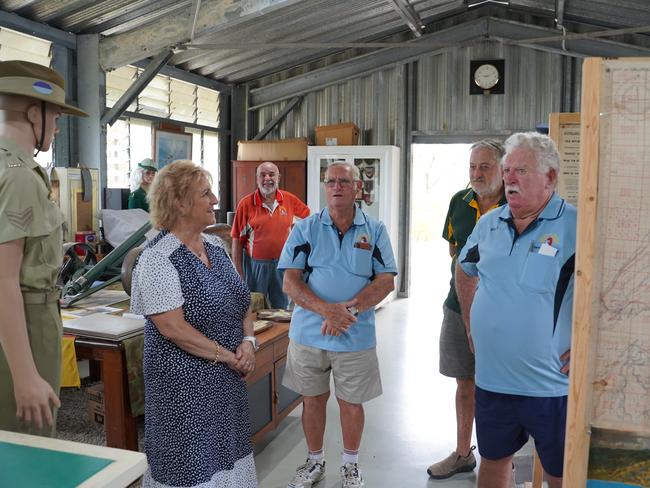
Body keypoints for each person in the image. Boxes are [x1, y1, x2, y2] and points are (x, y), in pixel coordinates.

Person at [455, 132, 576, 488]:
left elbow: (609, 296)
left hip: (551, 387)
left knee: (560, 474)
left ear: (550, 177)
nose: (508, 178)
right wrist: (469, 323)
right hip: (493, 382)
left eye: (521, 170)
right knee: (493, 462)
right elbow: (465, 270)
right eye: (507, 170)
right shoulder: (488, 223)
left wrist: (594, 352)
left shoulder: (576, 225)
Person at [130, 160, 258, 488]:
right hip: (185, 394)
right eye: (206, 194)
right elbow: (173, 329)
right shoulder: (157, 259)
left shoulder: (216, 247)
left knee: (226, 461)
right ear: (180, 202)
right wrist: (231, 357)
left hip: (226, 386)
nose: (215, 200)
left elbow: (242, 301)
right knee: (191, 468)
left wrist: (248, 342)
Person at [279, 162, 397, 488]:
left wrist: (348, 311)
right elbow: (290, 282)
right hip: (309, 334)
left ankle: (350, 465)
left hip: (354, 334)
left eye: (344, 181)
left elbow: (386, 280)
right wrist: (326, 311)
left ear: (357, 188)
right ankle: (314, 462)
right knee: (312, 400)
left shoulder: (374, 230)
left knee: (351, 402)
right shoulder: (305, 229)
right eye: (330, 181)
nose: (336, 186)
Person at [0, 60, 87, 435]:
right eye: (56, 117)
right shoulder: (19, 178)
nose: (56, 126)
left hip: (21, 318)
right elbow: (3, 278)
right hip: (26, 324)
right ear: (35, 112)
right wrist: (25, 375)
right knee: (28, 446)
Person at [427, 140, 506, 479]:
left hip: (503, 314)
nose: (477, 173)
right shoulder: (459, 202)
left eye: (485, 166)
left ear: (502, 169)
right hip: (458, 307)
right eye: (473, 166)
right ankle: (463, 453)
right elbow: (454, 251)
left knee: (503, 386)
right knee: (465, 382)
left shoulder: (515, 204)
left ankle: (500, 458)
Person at [231, 161, 309, 309]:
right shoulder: (246, 204)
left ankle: (279, 333)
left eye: (272, 174)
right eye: (263, 175)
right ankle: (254, 333)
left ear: (278, 177)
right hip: (255, 266)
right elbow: (236, 239)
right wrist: (238, 273)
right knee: (254, 307)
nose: (267, 178)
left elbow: (309, 225)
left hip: (282, 264)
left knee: (281, 308)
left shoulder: (290, 200)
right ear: (257, 179)